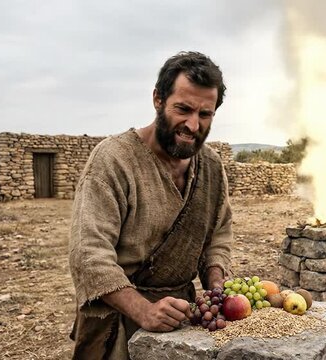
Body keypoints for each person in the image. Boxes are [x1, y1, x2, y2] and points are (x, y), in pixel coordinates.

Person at [68, 51, 233, 359]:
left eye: (205, 114)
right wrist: (143, 310)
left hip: (185, 320)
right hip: (118, 322)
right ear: (158, 99)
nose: (193, 125)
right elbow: (89, 255)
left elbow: (219, 233)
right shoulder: (113, 160)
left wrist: (215, 283)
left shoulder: (211, 166)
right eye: (182, 109)